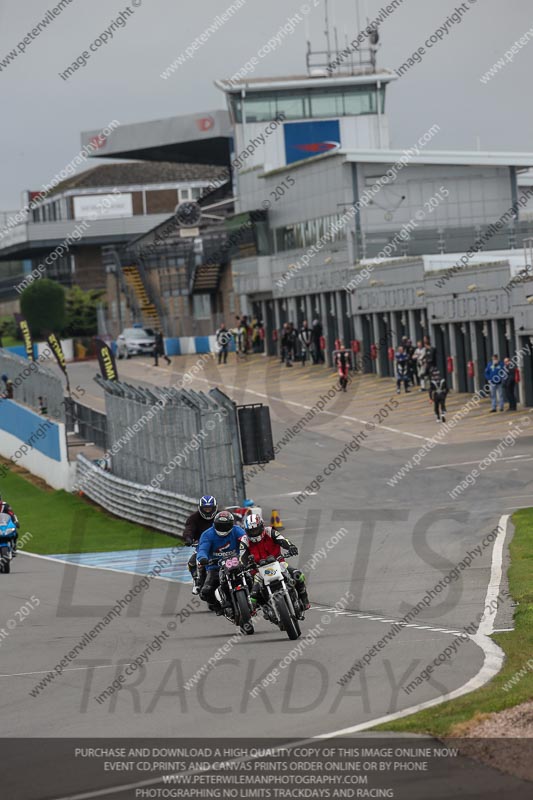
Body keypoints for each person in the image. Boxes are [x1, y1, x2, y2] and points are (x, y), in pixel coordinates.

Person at [240, 513, 310, 612]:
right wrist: (245, 565)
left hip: (278, 563)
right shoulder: (244, 540)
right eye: (251, 531)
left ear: (261, 526)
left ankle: (304, 599)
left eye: (256, 530)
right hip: (258, 570)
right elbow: (242, 556)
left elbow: (283, 540)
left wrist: (291, 547)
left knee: (298, 575)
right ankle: (261, 609)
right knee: (253, 595)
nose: (254, 533)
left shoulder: (270, 531)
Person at [197, 510, 245, 612]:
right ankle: (217, 606)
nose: (223, 528)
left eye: (226, 526)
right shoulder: (207, 534)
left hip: (237, 563)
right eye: (220, 525)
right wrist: (203, 558)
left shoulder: (237, 530)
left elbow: (247, 541)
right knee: (206, 592)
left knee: (254, 576)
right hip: (216, 567)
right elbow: (202, 549)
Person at [183, 495, 218, 594]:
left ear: (214, 508)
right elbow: (189, 529)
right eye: (205, 509)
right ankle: (197, 581)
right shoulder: (193, 518)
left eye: (209, 508)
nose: (207, 511)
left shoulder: (220, 516)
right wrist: (188, 538)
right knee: (192, 562)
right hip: (201, 545)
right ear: (200, 508)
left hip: (220, 543)